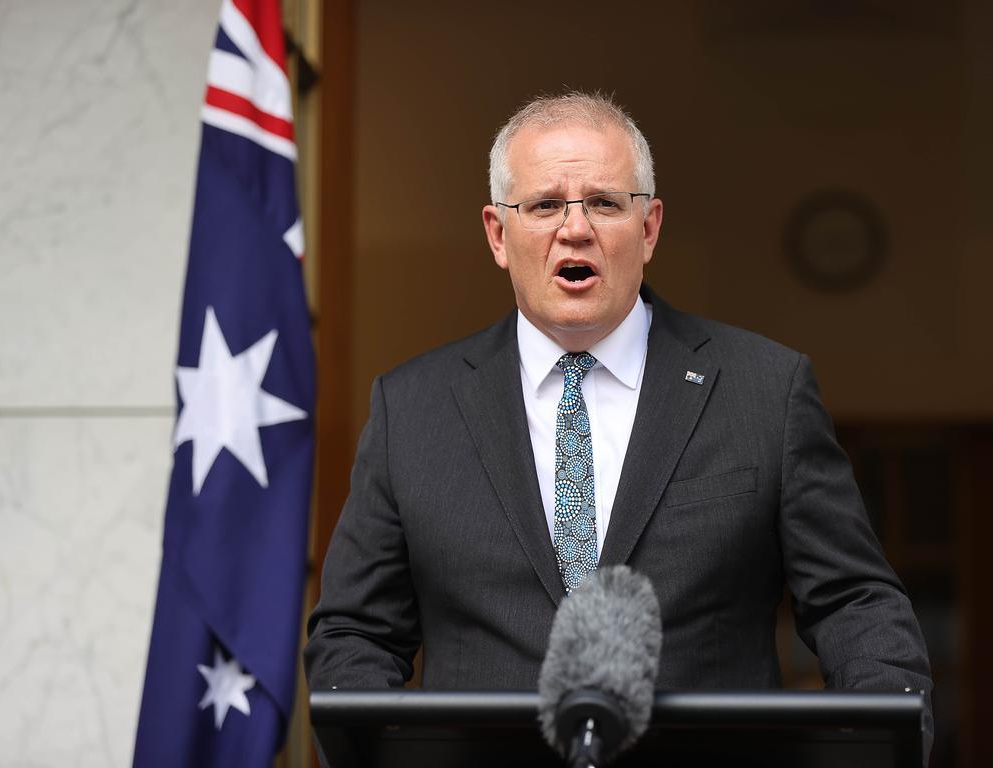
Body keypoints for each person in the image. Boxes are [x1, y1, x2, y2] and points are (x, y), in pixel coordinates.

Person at [305, 91, 933, 754]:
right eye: (545, 204)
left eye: (604, 202)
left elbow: (855, 608)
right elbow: (355, 636)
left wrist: (874, 743)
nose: (575, 229)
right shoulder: (412, 408)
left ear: (650, 227)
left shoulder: (765, 390)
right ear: (497, 233)